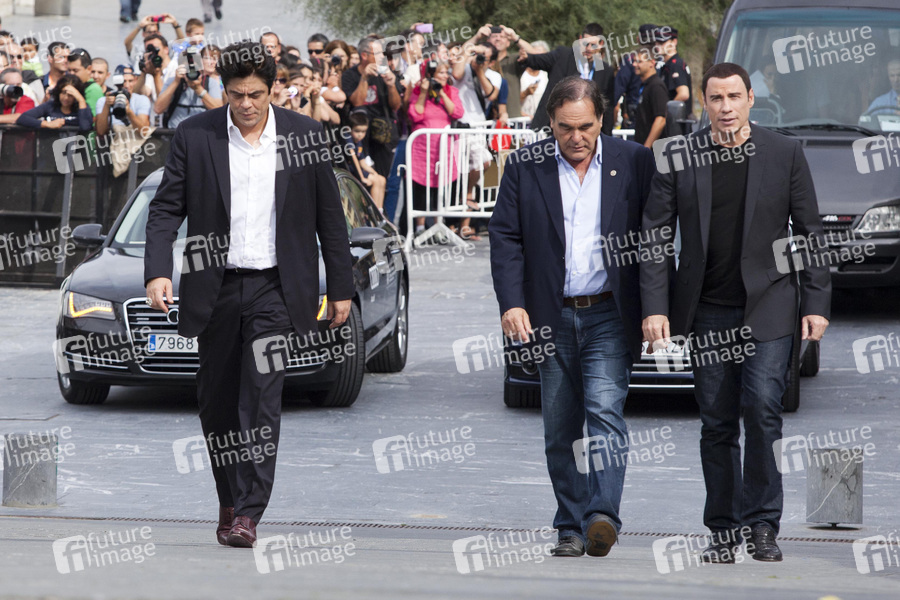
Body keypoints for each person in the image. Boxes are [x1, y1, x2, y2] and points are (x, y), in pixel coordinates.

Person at [144, 40, 354, 548]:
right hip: (214, 288)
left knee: (261, 398)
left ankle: (249, 513)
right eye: (236, 94)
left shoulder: (305, 135)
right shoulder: (196, 135)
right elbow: (166, 209)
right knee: (216, 404)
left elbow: (330, 217)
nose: (246, 104)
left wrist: (341, 287)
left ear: (273, 88)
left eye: (255, 94)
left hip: (276, 289)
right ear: (223, 89)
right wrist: (157, 271)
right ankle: (230, 499)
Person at [641, 63, 831, 563]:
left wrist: (816, 303)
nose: (725, 107)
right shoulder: (678, 156)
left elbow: (810, 233)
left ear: (750, 98)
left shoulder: (784, 152)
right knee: (717, 423)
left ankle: (763, 525)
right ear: (704, 103)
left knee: (763, 411)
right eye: (716, 98)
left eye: (733, 97)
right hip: (707, 310)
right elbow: (655, 236)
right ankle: (723, 530)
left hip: (769, 304)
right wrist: (655, 308)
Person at [490, 76, 655, 559]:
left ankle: (601, 516)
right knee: (560, 429)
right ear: (550, 123)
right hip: (550, 316)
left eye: (585, 126)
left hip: (609, 313)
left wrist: (657, 307)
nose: (576, 137)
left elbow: (654, 239)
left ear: (603, 120)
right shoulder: (525, 165)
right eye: (565, 128)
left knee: (605, 413)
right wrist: (512, 302)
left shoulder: (634, 162)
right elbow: (505, 238)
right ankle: (569, 524)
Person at [515, 23, 616, 135]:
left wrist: (606, 136)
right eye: (585, 44)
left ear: (600, 44)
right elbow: (539, 60)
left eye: (593, 45)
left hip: (586, 132)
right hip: (551, 129)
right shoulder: (563, 56)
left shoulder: (605, 71)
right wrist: (526, 58)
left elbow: (608, 106)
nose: (588, 48)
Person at [406, 59, 464, 233]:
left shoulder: (451, 91)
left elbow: (457, 112)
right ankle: (420, 227)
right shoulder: (418, 91)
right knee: (421, 186)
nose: (444, 76)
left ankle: (440, 226)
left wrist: (442, 94)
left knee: (442, 186)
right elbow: (416, 114)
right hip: (422, 148)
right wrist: (424, 92)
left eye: (446, 72)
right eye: (440, 73)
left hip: (444, 148)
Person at [341, 36, 402, 178]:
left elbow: (396, 106)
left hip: (383, 135)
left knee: (384, 177)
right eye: (378, 53)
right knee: (365, 179)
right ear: (364, 55)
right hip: (360, 136)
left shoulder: (385, 72)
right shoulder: (350, 75)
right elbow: (357, 102)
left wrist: (391, 85)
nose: (382, 57)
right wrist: (364, 78)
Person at [154, 39, 224, 128]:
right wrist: (176, 82)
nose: (191, 70)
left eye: (194, 66)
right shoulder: (173, 80)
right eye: (187, 66)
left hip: (200, 132)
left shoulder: (210, 82)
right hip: (174, 131)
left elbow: (218, 111)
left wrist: (198, 89)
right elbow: (158, 109)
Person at [17, 74, 93, 131]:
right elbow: (23, 118)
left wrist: (81, 100)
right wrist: (48, 124)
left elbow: (85, 127)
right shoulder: (51, 106)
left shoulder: (82, 108)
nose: (66, 98)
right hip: (50, 146)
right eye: (63, 93)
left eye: (70, 95)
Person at [96, 66, 151, 136]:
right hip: (114, 140)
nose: (127, 85)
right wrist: (106, 105)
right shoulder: (104, 100)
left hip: (136, 141)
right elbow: (100, 131)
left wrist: (129, 112)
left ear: (135, 80)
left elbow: (144, 131)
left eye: (130, 81)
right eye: (124, 81)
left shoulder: (142, 100)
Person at [348, 112, 387, 208]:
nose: (360, 135)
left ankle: (380, 210)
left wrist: (374, 173)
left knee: (381, 179)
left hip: (359, 170)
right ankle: (374, 212)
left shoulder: (359, 142)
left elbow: (362, 163)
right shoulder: (347, 138)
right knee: (376, 181)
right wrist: (362, 178)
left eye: (363, 132)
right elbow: (354, 160)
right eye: (357, 131)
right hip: (351, 170)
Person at [632, 46, 668, 147]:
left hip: (653, 151)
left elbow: (661, 119)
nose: (634, 64)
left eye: (639, 61)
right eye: (634, 61)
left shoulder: (656, 86)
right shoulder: (645, 85)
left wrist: (647, 147)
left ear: (652, 63)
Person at [658, 27, 693, 116]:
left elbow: (683, 94)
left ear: (674, 42)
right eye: (657, 42)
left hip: (678, 120)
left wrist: (667, 113)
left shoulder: (676, 64)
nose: (658, 45)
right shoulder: (668, 65)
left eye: (662, 42)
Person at [66, 48, 105, 117]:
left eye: (75, 70)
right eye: (69, 70)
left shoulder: (93, 89)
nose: (71, 74)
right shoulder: (69, 86)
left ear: (89, 69)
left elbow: (92, 119)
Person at [520, 40, 549, 119]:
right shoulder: (520, 74)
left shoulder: (546, 75)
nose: (537, 59)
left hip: (541, 120)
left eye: (541, 56)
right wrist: (525, 93)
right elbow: (511, 101)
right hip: (522, 120)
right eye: (535, 55)